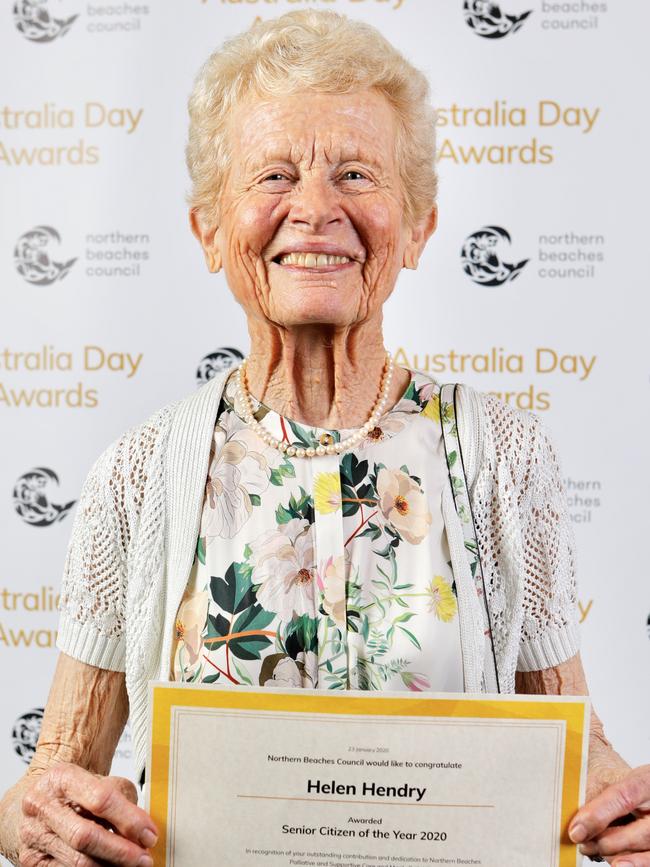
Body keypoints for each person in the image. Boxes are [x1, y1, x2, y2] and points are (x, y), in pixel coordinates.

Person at [1, 10, 648, 866]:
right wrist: (28, 818)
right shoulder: (136, 475)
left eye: (355, 173)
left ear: (418, 228)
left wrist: (628, 804)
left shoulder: (505, 455)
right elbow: (55, 775)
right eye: (273, 174)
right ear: (208, 231)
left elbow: (574, 748)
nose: (314, 209)